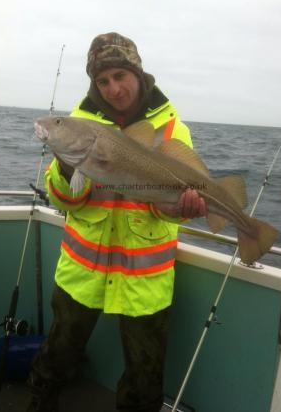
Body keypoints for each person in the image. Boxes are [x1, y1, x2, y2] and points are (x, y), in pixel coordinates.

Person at [27, 32, 206, 412]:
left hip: (145, 279)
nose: (113, 88)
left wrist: (178, 206)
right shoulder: (78, 125)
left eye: (120, 76)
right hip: (82, 272)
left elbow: (162, 203)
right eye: (103, 80)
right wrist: (64, 165)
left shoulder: (173, 129)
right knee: (55, 357)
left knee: (145, 379)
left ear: (139, 74)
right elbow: (65, 200)